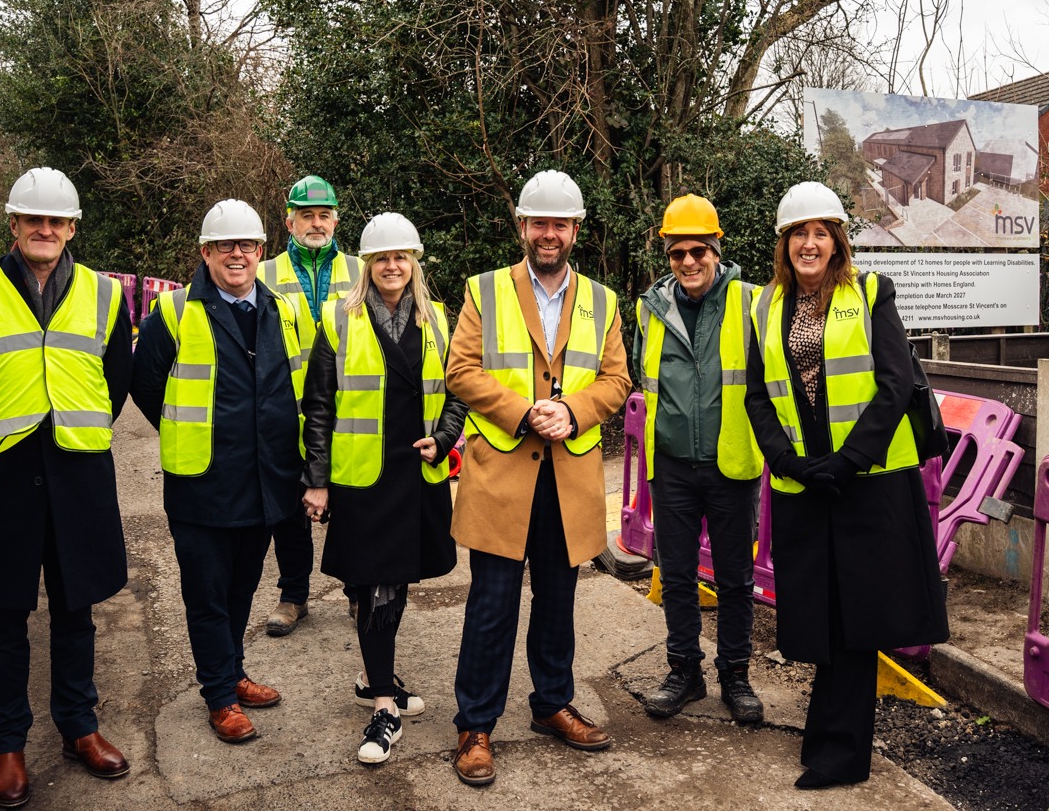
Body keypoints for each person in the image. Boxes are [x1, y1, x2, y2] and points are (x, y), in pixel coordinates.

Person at [0, 167, 132, 808]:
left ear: (72, 228)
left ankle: (80, 727)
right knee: (4, 616)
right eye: (33, 220)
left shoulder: (104, 295)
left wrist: (78, 428)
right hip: (3, 475)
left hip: (77, 470)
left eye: (57, 221)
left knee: (77, 611)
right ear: (13, 224)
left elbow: (115, 379)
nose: (46, 231)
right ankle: (7, 746)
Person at [744, 181, 949, 790]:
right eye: (799, 234)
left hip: (868, 483)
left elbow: (892, 384)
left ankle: (845, 752)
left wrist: (849, 460)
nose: (810, 243)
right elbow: (757, 395)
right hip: (804, 482)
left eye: (821, 232)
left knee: (858, 617)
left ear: (837, 240)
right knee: (821, 615)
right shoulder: (765, 306)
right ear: (785, 244)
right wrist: (785, 460)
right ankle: (825, 729)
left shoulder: (870, 292)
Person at [447, 170, 633, 788]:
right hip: (503, 472)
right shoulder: (485, 291)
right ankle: (476, 725)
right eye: (539, 223)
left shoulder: (603, 301)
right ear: (522, 227)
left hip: (568, 474)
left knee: (558, 600)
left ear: (575, 230)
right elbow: (462, 371)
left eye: (560, 224)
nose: (548, 234)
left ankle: (551, 703)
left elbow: (616, 382)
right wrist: (524, 410)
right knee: (492, 604)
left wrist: (573, 410)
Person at [131, 199, 310, 744]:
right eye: (225, 245)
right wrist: (191, 434)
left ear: (261, 250)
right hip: (203, 482)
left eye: (248, 245)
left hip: (266, 479)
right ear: (206, 252)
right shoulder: (174, 311)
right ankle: (218, 696)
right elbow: (145, 385)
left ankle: (231, 672)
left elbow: (298, 385)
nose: (238, 254)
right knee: (206, 593)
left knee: (241, 586)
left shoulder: (284, 309)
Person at [298, 212, 468, 764]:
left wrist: (443, 439)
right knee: (372, 586)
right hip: (360, 477)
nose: (392, 266)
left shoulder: (439, 320)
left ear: (414, 262)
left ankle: (377, 675)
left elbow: (458, 394)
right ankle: (385, 707)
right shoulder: (338, 319)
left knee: (387, 585)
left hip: (416, 475)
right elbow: (318, 406)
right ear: (366, 265)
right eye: (381, 259)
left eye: (401, 257)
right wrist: (317, 482)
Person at [631, 195, 764, 724]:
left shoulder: (752, 302)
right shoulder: (650, 307)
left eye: (698, 251)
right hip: (673, 467)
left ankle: (736, 674)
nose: (688, 262)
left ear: (716, 249)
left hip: (732, 464)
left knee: (734, 579)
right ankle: (684, 670)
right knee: (678, 574)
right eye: (677, 252)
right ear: (666, 253)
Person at [257, 174, 362, 637]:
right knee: (288, 506)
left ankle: (359, 591)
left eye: (323, 215)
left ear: (336, 220)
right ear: (290, 220)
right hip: (285, 406)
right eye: (307, 215)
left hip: (349, 406)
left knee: (354, 501)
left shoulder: (362, 271)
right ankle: (293, 595)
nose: (316, 224)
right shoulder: (263, 274)